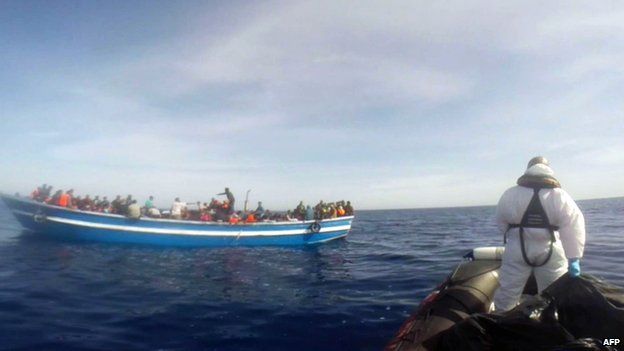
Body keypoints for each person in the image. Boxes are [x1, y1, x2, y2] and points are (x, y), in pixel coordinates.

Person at [493, 156, 586, 312]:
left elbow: (500, 221)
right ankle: (549, 326)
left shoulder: (510, 193)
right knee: (552, 294)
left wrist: (514, 235)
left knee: (508, 292)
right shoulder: (560, 195)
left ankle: (501, 324)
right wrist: (574, 257)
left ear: (528, 168)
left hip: (518, 247)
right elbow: (574, 226)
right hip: (551, 249)